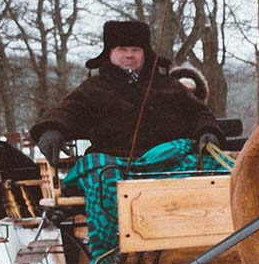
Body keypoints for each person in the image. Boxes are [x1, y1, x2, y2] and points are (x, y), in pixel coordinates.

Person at [30, 21, 222, 164]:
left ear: (145, 54)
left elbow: (198, 113)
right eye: (122, 49)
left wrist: (207, 131)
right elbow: (67, 111)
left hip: (169, 162)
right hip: (111, 164)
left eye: (135, 49)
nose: (129, 55)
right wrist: (52, 129)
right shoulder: (93, 88)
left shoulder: (169, 86)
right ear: (109, 53)